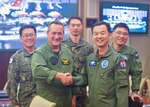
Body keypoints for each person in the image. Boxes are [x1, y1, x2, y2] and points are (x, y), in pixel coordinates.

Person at [31, 21, 80, 107]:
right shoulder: (39, 53)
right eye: (53, 33)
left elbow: (75, 74)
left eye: (60, 33)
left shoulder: (67, 52)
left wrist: (74, 98)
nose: (56, 37)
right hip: (47, 102)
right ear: (47, 33)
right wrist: (59, 75)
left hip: (66, 102)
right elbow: (37, 70)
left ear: (63, 35)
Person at [80, 21, 129, 107]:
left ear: (110, 35)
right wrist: (69, 78)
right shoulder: (90, 58)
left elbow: (122, 90)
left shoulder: (117, 59)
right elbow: (83, 79)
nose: (99, 36)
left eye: (102, 33)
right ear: (92, 37)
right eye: (96, 34)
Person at [63, 16, 94, 107]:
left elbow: (90, 70)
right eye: (73, 25)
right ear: (68, 27)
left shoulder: (88, 47)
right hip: (65, 91)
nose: (75, 28)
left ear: (82, 27)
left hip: (82, 91)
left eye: (78, 25)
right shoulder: (62, 46)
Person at [6, 25, 37, 107]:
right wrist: (15, 104)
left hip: (41, 100)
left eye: (31, 35)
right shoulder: (16, 57)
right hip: (25, 102)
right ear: (21, 38)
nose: (29, 38)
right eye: (26, 35)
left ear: (35, 36)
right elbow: (12, 83)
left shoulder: (41, 55)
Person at [111, 23, 143, 101]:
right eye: (119, 33)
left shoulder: (131, 52)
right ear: (112, 34)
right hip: (105, 93)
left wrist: (135, 91)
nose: (122, 36)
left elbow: (136, 73)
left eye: (125, 34)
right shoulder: (105, 50)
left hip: (122, 92)